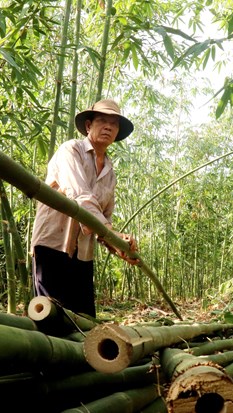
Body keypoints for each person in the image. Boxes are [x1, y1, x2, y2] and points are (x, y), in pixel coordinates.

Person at [30, 98, 139, 318]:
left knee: (84, 319)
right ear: (89, 125)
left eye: (114, 123)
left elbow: (104, 219)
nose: (108, 126)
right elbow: (80, 196)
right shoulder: (70, 150)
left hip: (83, 253)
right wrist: (111, 234)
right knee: (50, 317)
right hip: (53, 244)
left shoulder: (110, 173)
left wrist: (119, 246)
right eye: (102, 120)